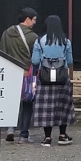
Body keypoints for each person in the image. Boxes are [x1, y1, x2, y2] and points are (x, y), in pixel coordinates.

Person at [31, 15, 75, 147]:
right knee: (63, 105)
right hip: (62, 78)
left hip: (44, 79)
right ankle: (62, 135)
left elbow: (35, 61)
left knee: (46, 108)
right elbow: (70, 60)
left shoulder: (39, 41)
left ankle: (47, 137)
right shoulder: (66, 42)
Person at [0, 6, 38, 143]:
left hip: (10, 73)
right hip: (26, 74)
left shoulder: (6, 33)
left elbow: (1, 52)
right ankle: (23, 135)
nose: (35, 22)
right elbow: (36, 58)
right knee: (27, 104)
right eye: (34, 20)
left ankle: (10, 128)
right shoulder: (33, 37)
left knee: (11, 102)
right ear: (27, 19)